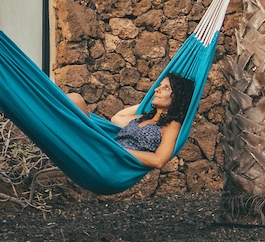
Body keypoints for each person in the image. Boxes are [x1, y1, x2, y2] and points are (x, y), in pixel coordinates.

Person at [66, 71, 195, 170]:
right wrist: (146, 103)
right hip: (103, 151)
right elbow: (117, 118)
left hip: (111, 163)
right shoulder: (144, 118)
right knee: (72, 100)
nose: (156, 89)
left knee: (75, 100)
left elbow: (159, 160)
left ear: (177, 97)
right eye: (159, 86)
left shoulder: (171, 125)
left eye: (166, 88)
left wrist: (118, 150)